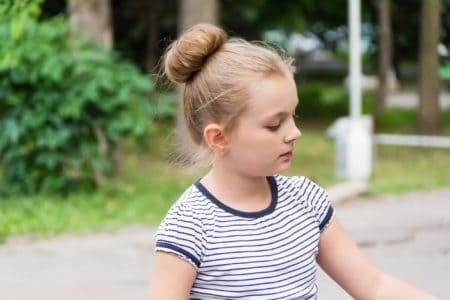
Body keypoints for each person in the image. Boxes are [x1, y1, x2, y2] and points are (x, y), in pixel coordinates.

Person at [149, 23, 437, 300]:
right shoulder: (190, 226)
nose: (294, 133)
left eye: (293, 116)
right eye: (275, 125)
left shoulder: (306, 200)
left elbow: (374, 287)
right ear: (219, 138)